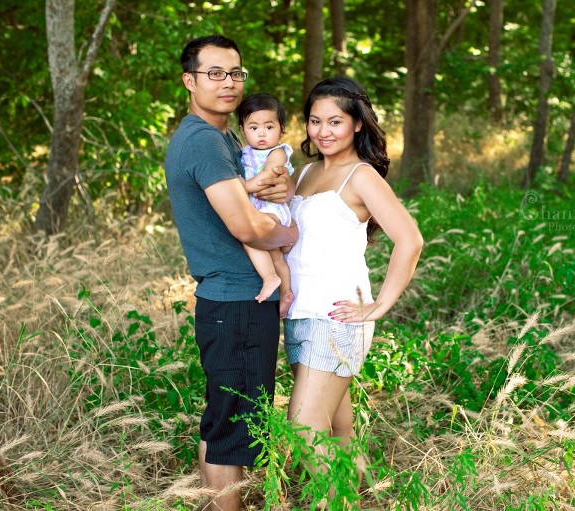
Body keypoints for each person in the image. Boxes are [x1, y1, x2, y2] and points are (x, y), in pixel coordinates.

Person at [164, 35, 298, 511]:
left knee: (223, 419)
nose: (228, 82)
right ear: (189, 80)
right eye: (214, 73)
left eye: (236, 73)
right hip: (239, 300)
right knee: (234, 426)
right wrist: (288, 236)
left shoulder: (223, 138)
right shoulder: (203, 142)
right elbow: (245, 223)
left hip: (233, 300)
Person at [283, 77, 424, 474]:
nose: (323, 131)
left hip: (337, 318)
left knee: (304, 431)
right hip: (301, 315)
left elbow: (410, 240)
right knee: (337, 432)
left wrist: (378, 305)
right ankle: (362, 498)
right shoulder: (306, 173)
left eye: (335, 122)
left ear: (357, 124)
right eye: (315, 121)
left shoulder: (361, 176)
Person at [237, 93, 295, 317]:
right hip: (259, 208)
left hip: (273, 208)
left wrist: (239, 187)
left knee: (251, 235)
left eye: (269, 127)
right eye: (253, 127)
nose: (261, 133)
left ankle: (270, 277)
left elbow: (268, 176)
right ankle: (286, 291)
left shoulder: (277, 152)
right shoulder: (244, 153)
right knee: (274, 254)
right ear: (243, 130)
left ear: (281, 129)